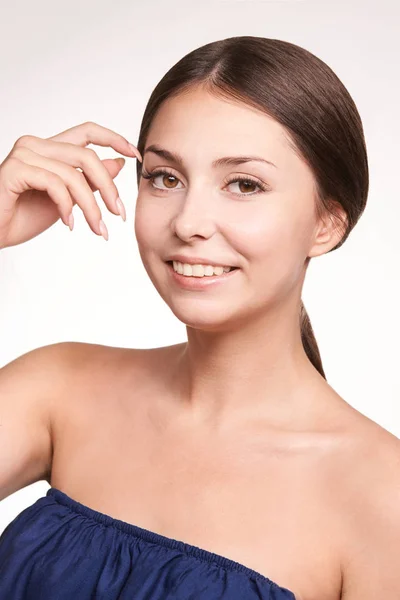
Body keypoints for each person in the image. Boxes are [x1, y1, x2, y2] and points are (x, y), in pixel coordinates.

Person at [0, 36, 399, 600]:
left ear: (326, 223)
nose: (189, 221)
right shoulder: (58, 390)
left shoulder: (382, 496)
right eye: (165, 177)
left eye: (244, 184)